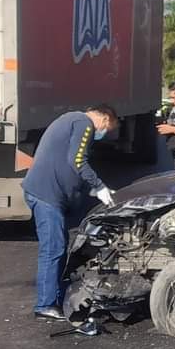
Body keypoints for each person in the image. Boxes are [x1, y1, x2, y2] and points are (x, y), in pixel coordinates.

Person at [22, 104, 119, 321]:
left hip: (44, 192)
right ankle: (45, 305)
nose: (104, 133)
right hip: (47, 195)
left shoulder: (70, 119)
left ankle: (54, 298)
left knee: (58, 245)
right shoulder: (84, 124)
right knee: (53, 249)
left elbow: (65, 163)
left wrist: (89, 189)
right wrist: (99, 185)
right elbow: (77, 160)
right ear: (104, 119)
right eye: (108, 128)